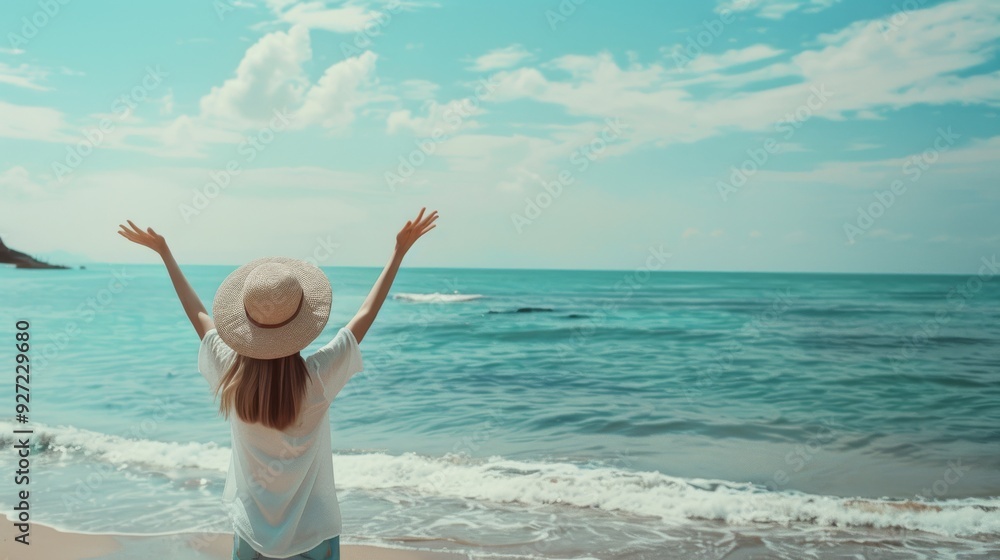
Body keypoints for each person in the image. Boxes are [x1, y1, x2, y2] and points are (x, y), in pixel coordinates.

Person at [117, 208, 439, 560]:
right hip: (314, 533)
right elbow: (363, 317)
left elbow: (198, 316)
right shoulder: (317, 378)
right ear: (300, 323)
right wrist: (398, 253)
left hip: (252, 535)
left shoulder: (231, 374)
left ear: (246, 324)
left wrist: (165, 253)